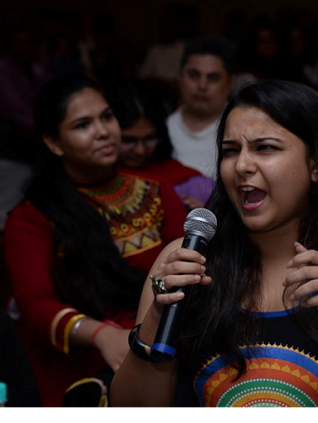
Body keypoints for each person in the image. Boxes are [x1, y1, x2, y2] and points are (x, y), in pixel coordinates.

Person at [110, 81, 318, 408]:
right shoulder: (187, 261)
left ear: (316, 164)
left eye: (265, 148)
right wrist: (157, 317)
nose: (241, 165)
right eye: (230, 151)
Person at [5, 75, 186, 408]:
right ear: (54, 143)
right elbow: (35, 304)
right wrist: (103, 335)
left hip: (161, 337)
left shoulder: (156, 192)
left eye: (106, 117)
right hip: (83, 358)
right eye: (83, 125)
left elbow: (185, 272)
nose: (103, 131)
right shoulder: (33, 217)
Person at [107, 80, 213, 209]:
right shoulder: (97, 181)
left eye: (149, 138)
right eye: (129, 140)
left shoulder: (191, 183)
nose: (140, 150)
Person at [167, 36, 236, 179]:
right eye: (194, 75)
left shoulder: (243, 129)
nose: (202, 86)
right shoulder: (163, 130)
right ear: (179, 77)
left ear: (230, 83)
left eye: (213, 78)